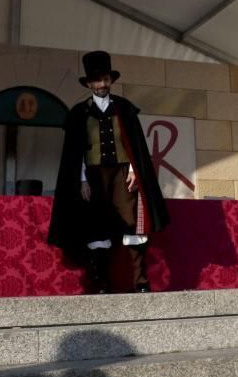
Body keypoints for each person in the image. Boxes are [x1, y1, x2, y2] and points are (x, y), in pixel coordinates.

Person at [48, 51, 169, 294]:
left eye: (105, 79)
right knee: (96, 225)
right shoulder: (79, 113)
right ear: (89, 84)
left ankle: (141, 283)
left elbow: (135, 144)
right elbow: (75, 152)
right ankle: (101, 283)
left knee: (132, 222)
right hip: (92, 176)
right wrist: (81, 179)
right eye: (97, 80)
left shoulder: (124, 109)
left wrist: (135, 169)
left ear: (111, 80)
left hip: (123, 173)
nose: (102, 84)